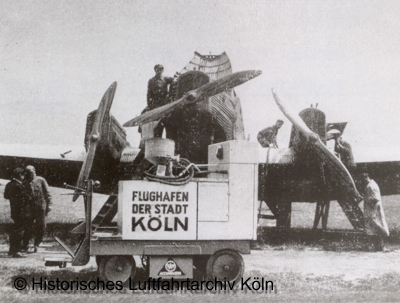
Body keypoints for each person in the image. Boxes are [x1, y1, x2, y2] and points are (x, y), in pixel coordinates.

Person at [3, 168, 31, 257]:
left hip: (14, 210)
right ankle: (17, 251)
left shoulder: (9, 184)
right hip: (21, 211)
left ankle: (12, 250)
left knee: (15, 230)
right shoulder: (19, 186)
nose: (24, 177)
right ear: (20, 175)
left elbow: (6, 196)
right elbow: (27, 198)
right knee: (19, 231)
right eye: (23, 175)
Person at [25, 165, 52, 253]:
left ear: (34, 171)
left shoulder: (41, 180)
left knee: (41, 226)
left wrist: (49, 205)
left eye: (31, 172)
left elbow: (48, 193)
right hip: (29, 208)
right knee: (28, 226)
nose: (30, 174)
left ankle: (37, 243)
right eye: (28, 172)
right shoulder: (25, 182)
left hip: (40, 207)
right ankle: (25, 244)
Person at [360, 172, 389, 251]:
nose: (362, 181)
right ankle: (376, 246)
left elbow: (375, 199)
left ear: (366, 178)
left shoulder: (371, 186)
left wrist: (365, 198)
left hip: (374, 211)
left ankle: (380, 246)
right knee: (373, 229)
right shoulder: (370, 185)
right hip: (371, 211)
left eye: (362, 179)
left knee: (377, 228)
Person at [145, 64, 174, 138]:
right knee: (156, 126)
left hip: (165, 104)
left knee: (169, 124)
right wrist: (149, 105)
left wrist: (170, 95)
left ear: (162, 70)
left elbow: (174, 80)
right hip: (155, 105)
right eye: (157, 70)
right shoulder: (151, 81)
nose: (159, 71)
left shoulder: (165, 79)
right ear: (155, 70)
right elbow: (149, 94)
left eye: (161, 69)